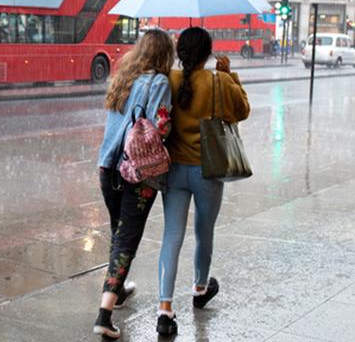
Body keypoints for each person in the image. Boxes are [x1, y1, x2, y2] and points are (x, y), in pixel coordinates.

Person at [155, 27, 250, 336]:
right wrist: (230, 75)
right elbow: (242, 111)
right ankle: (199, 288)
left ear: (181, 52)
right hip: (207, 170)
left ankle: (165, 309)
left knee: (172, 235)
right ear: (209, 53)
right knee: (203, 231)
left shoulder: (168, 78)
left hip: (174, 170)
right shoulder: (217, 80)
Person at [93, 29, 175, 339]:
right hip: (137, 172)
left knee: (118, 233)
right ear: (165, 54)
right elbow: (161, 127)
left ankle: (119, 288)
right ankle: (104, 312)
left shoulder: (123, 77)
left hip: (108, 166)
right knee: (127, 240)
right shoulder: (160, 82)